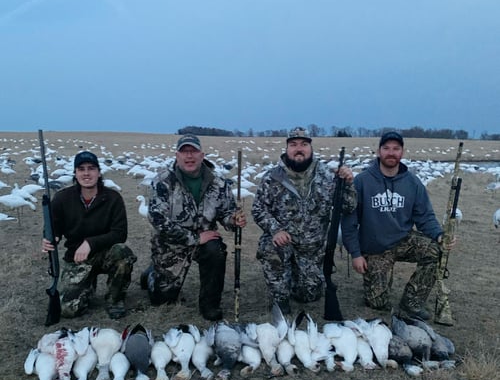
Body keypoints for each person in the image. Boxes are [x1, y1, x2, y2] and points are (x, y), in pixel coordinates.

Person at [341, 131, 448, 321]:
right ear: (379, 151)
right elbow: (349, 222)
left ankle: (411, 302)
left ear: (402, 152)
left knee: (435, 250)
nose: (391, 153)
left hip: (403, 240)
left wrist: (439, 235)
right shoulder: (362, 181)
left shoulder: (412, 183)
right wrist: (356, 254)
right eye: (387, 148)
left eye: (396, 149)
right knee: (377, 303)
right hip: (375, 247)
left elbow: (424, 216)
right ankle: (379, 284)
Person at [251, 126, 356, 314]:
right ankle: (280, 299)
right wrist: (275, 229)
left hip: (313, 251)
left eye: (304, 144)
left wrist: (348, 184)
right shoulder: (272, 177)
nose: (299, 148)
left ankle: (299, 279)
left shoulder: (327, 176)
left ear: (311, 147)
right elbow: (258, 209)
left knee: (309, 295)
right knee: (270, 246)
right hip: (285, 243)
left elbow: (348, 207)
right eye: (293, 144)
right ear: (286, 148)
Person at [141, 134, 246, 321]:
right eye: (184, 152)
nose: (189, 156)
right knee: (162, 300)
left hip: (205, 240)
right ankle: (151, 275)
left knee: (216, 251)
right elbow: (157, 219)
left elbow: (226, 213)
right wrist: (196, 239)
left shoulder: (219, 183)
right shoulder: (163, 182)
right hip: (171, 244)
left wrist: (233, 220)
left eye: (193, 151)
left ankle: (210, 304)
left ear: (202, 155)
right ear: (177, 156)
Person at [42, 151, 137, 319]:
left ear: (99, 172)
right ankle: (87, 286)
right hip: (77, 258)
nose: (86, 173)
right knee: (68, 310)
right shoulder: (62, 198)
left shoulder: (113, 198)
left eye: (91, 168)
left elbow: (120, 233)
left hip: (106, 254)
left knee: (123, 252)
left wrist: (90, 243)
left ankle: (115, 300)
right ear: (75, 173)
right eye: (81, 169)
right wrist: (50, 238)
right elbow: (52, 227)